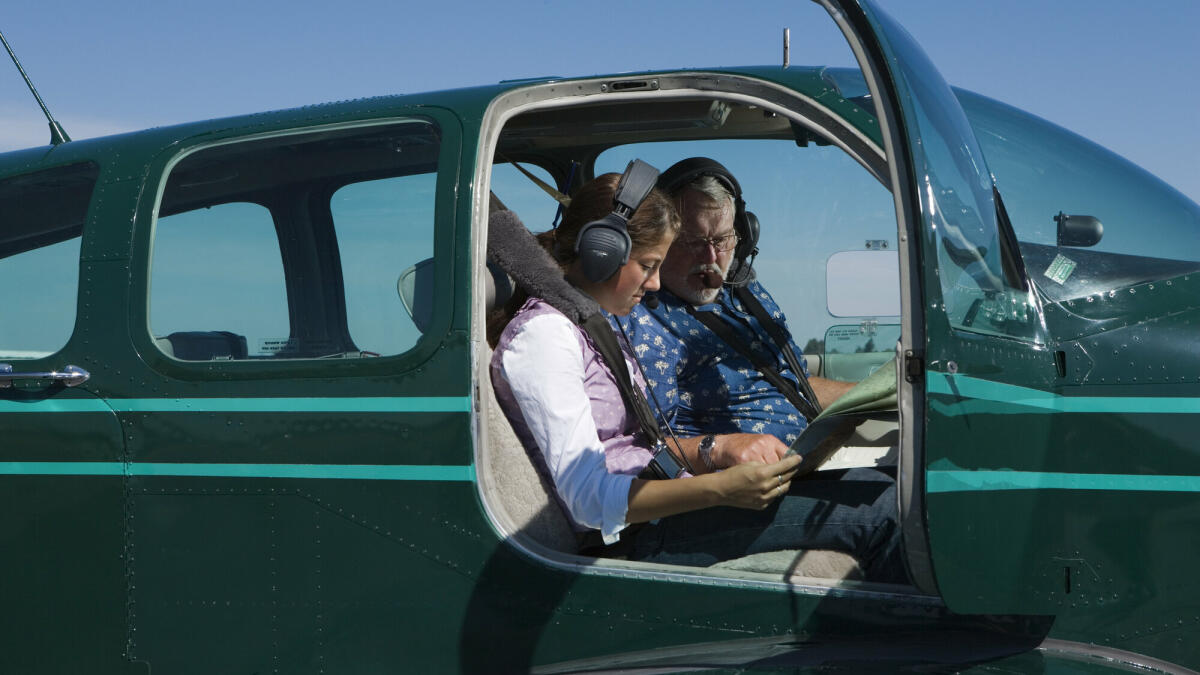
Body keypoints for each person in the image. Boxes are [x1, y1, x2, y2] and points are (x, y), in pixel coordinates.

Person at [489, 166, 905, 582]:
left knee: (897, 491)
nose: (654, 285)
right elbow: (589, 501)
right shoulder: (544, 336)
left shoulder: (587, 324)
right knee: (884, 514)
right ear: (603, 253)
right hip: (637, 535)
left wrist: (714, 461)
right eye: (649, 265)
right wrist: (722, 490)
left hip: (668, 505)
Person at [617, 157, 855, 449]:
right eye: (693, 241)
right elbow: (642, 448)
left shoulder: (744, 290)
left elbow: (793, 385)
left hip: (807, 461)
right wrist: (718, 451)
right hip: (736, 487)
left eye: (722, 240)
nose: (710, 258)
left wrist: (879, 394)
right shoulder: (642, 318)